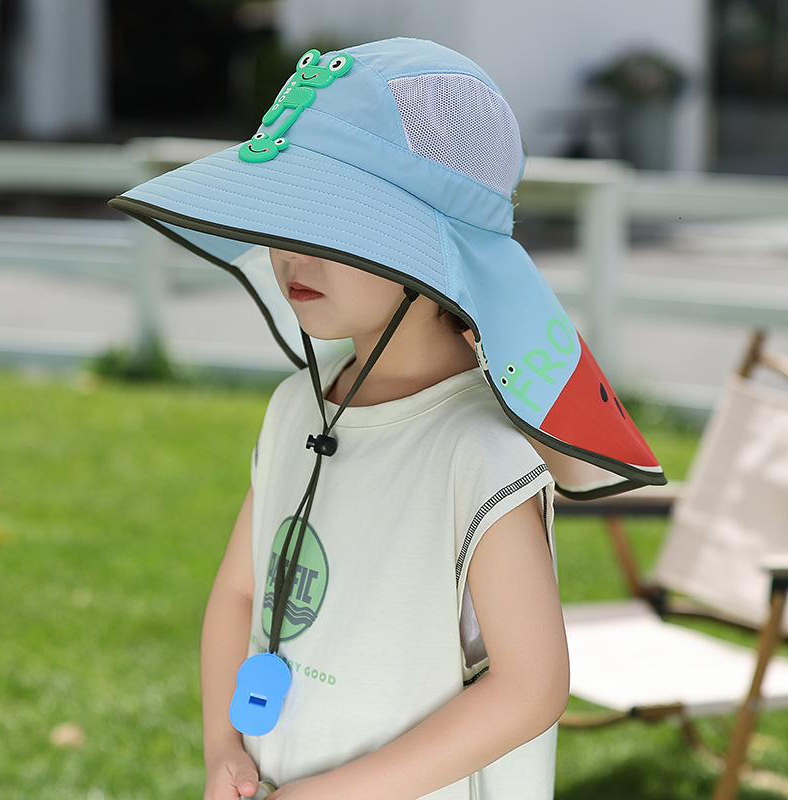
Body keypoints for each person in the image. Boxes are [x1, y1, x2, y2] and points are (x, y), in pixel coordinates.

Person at [109, 37, 665, 800]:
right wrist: (223, 749)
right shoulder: (294, 408)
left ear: (430, 254)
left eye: (329, 225)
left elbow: (532, 687)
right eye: (280, 220)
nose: (288, 255)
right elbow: (242, 593)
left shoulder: (478, 450)